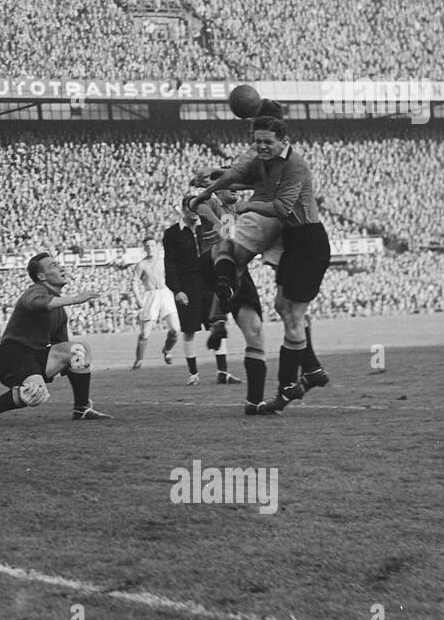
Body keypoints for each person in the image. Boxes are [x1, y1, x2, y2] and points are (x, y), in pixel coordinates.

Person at [188, 117, 330, 414]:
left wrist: (246, 205)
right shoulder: (269, 163)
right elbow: (241, 177)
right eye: (258, 141)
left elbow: (282, 208)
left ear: (283, 141)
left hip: (308, 240)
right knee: (284, 309)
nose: (262, 146)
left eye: (268, 141)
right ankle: (309, 371)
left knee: (292, 316)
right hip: (292, 240)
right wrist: (211, 184)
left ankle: (289, 385)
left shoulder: (295, 166)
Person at [0, 253, 111, 421]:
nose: (61, 268)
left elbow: (64, 348)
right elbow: (36, 303)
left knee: (78, 350)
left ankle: (82, 408)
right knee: (35, 393)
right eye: (53, 266)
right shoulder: (35, 290)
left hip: (37, 357)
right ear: (41, 276)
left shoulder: (60, 311)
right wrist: (76, 299)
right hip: (13, 356)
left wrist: (77, 366)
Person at [163, 200, 240, 386]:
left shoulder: (207, 227)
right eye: (191, 207)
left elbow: (226, 239)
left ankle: (222, 372)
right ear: (183, 209)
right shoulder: (172, 233)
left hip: (210, 283)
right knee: (189, 329)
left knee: (217, 324)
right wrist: (177, 290)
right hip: (187, 287)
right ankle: (193, 374)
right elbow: (170, 264)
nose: (195, 211)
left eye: (198, 207)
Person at [127, 238, 180, 369]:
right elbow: (134, 282)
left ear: (157, 247)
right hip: (151, 295)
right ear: (144, 249)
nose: (150, 247)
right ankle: (139, 360)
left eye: (152, 245)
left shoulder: (164, 261)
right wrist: (138, 298)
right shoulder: (141, 265)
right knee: (145, 333)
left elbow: (174, 277)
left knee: (175, 330)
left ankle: (167, 350)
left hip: (166, 294)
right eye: (147, 246)